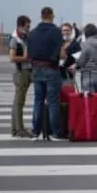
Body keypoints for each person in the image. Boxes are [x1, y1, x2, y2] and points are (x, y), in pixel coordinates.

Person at [26, 7, 68, 141]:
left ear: (41, 16)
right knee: (53, 101)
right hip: (51, 69)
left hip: (36, 69)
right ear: (51, 16)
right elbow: (61, 54)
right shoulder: (56, 31)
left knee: (38, 100)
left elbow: (29, 54)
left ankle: (36, 131)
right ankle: (55, 132)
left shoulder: (32, 33)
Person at [8, 15, 33, 138]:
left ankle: (16, 128)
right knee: (19, 102)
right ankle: (19, 129)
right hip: (20, 72)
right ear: (20, 26)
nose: (29, 28)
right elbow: (11, 58)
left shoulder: (24, 37)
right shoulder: (15, 39)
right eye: (27, 26)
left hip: (26, 71)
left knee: (18, 102)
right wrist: (25, 58)